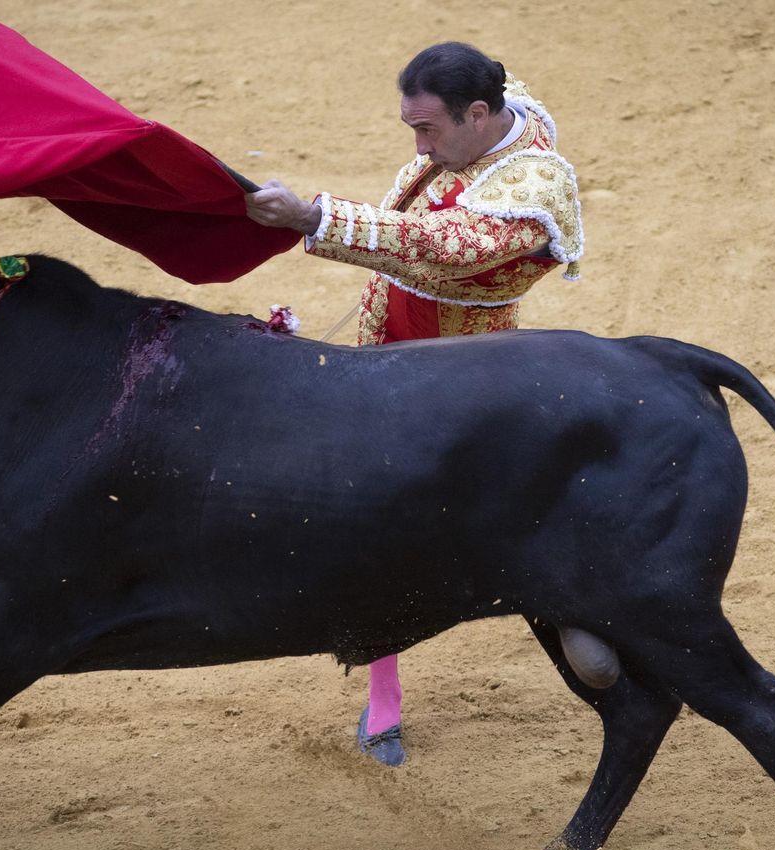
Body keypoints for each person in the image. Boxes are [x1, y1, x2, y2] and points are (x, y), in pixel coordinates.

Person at [244, 41, 584, 766]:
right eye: (413, 128)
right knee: (374, 517)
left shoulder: (531, 194)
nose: (420, 146)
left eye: (429, 130)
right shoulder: (493, 109)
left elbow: (439, 244)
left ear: (481, 115)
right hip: (387, 338)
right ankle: (385, 699)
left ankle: (575, 610)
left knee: (504, 511)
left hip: (468, 374)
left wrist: (311, 217)